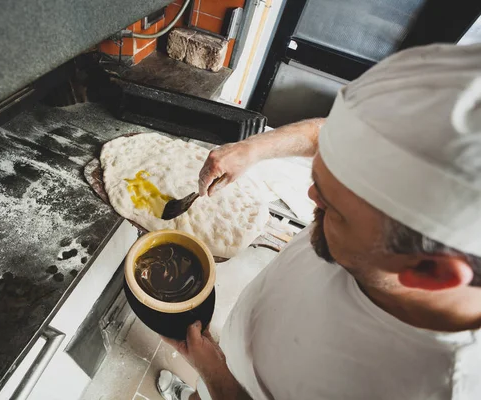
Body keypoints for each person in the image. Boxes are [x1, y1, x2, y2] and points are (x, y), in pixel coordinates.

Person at [157, 43, 481, 400]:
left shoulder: (433, 387)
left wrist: (217, 375)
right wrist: (253, 149)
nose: (311, 196)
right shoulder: (394, 227)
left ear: (430, 272)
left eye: (331, 211)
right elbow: (336, 135)